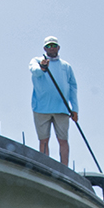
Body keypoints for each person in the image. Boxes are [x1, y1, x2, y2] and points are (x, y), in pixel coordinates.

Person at [29, 36, 78, 166]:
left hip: (61, 108)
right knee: (44, 140)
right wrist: (43, 68)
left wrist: (75, 109)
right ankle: (45, 166)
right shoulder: (37, 61)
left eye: (54, 46)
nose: (51, 48)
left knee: (63, 140)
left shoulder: (66, 66)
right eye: (49, 46)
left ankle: (64, 168)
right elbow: (35, 71)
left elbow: (73, 87)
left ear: (58, 47)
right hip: (41, 108)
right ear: (45, 48)